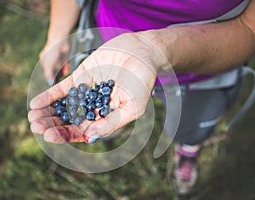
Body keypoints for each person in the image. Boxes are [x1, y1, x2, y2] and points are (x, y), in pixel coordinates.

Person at [28, 0, 255, 194]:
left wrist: (153, 49)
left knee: (189, 127)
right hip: (107, 50)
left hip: (203, 75)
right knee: (106, 111)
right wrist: (57, 33)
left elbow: (249, 28)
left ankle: (188, 148)